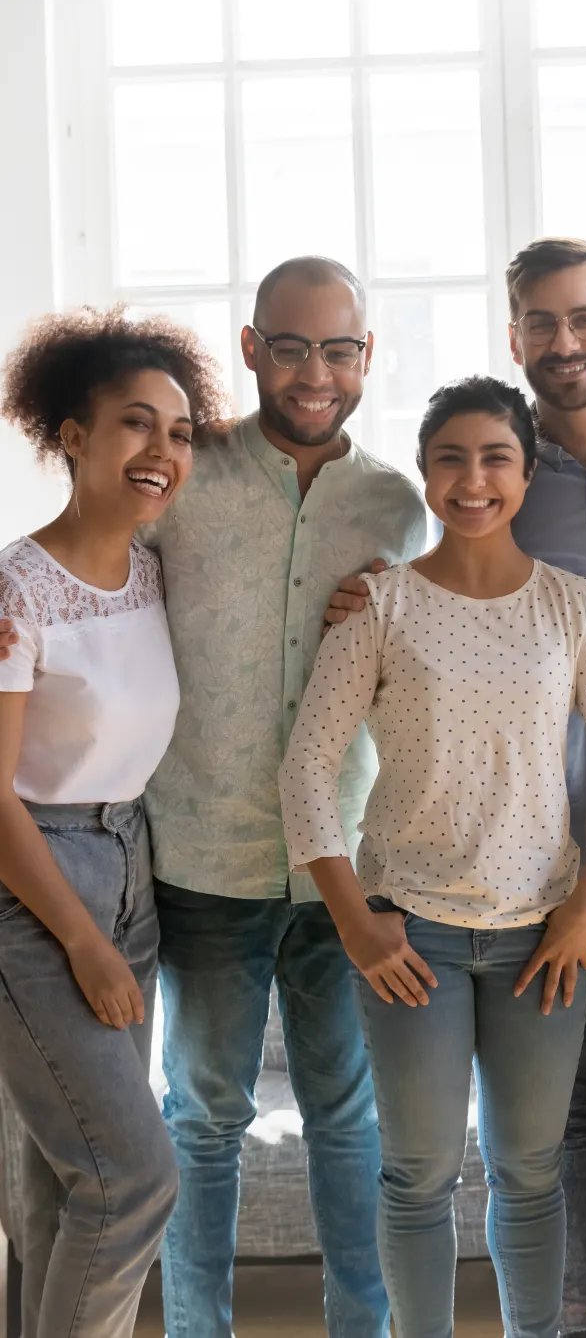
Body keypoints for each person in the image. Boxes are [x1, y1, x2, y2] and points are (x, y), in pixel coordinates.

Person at [324, 237, 586, 1337]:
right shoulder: (493, 480)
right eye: (542, 324)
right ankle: (574, 1321)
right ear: (514, 338)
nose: (567, 342)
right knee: (553, 1133)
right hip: (517, 879)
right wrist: (362, 595)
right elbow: (429, 609)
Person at [0, 257, 427, 1338]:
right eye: (289, 346)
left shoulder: (400, 506)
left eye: (338, 348)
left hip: (338, 861)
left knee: (345, 1118)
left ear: (366, 357)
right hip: (195, 860)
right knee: (196, 1125)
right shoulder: (180, 486)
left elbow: (443, 652)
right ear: (252, 349)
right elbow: (66, 565)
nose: (314, 371)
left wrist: (392, 603)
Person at [280, 374, 586, 1338]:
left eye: (495, 457)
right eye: (450, 457)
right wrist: (355, 925)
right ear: (425, 473)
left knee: (530, 1172)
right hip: (411, 938)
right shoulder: (378, 604)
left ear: (526, 475)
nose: (473, 478)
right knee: (418, 1174)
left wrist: (584, 913)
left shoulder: (572, 608)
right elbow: (305, 772)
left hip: (546, 936)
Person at [0, 307, 227, 1337]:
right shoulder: (18, 590)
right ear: (73, 435)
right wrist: (83, 939)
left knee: (69, 1181)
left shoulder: (151, 568)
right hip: (38, 885)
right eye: (136, 424)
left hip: (133, 862)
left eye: (179, 432)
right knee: (132, 1180)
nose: (162, 451)